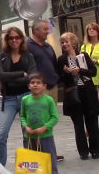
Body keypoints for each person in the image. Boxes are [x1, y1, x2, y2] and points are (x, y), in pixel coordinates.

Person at [0, 27, 37, 165]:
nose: (14, 40)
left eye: (17, 37)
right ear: (7, 40)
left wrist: (10, 78)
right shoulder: (2, 56)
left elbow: (31, 78)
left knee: (28, 134)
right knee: (0, 135)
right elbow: (0, 75)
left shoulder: (28, 56)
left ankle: (30, 168)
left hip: (27, 96)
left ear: (21, 39)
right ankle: (0, 168)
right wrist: (20, 74)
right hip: (8, 99)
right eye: (11, 38)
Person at [57, 32, 99, 160]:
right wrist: (67, 73)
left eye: (67, 41)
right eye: (62, 42)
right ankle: (83, 152)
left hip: (87, 92)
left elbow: (93, 72)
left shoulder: (84, 56)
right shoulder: (61, 59)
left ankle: (95, 150)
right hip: (73, 93)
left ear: (74, 43)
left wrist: (79, 70)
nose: (64, 44)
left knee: (92, 122)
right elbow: (60, 78)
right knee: (78, 124)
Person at [26, 19, 64, 161]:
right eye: (44, 29)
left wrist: (56, 79)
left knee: (48, 120)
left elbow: (53, 64)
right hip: (38, 89)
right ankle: (40, 152)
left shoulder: (48, 46)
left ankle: (49, 150)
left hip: (51, 87)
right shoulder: (28, 46)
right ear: (35, 31)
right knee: (37, 120)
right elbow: (28, 67)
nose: (48, 31)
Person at [20, 73, 59, 173]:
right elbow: (22, 116)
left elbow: (55, 117)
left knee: (50, 161)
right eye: (32, 83)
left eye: (38, 82)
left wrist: (44, 127)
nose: (35, 85)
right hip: (30, 137)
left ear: (44, 86)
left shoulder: (49, 100)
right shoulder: (25, 100)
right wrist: (25, 126)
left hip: (46, 136)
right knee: (32, 164)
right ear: (29, 86)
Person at [80, 22, 99, 141]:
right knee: (91, 104)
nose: (91, 31)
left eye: (93, 29)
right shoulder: (84, 46)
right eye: (89, 29)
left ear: (98, 31)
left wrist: (96, 61)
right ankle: (90, 127)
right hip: (89, 78)